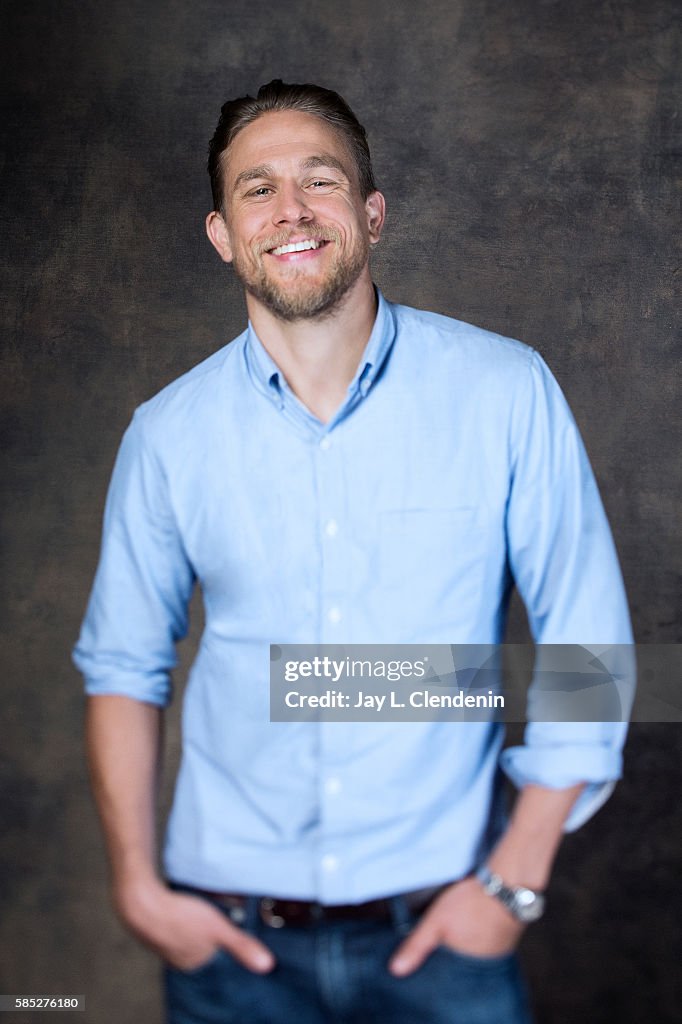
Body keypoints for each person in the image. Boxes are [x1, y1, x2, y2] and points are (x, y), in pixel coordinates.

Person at [73, 79, 634, 1024]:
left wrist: (514, 884)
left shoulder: (505, 392)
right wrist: (138, 887)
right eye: (257, 190)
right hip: (227, 953)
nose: (290, 210)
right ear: (222, 234)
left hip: (446, 942)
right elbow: (123, 668)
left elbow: (591, 653)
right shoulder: (166, 434)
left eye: (318, 181)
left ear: (372, 214)